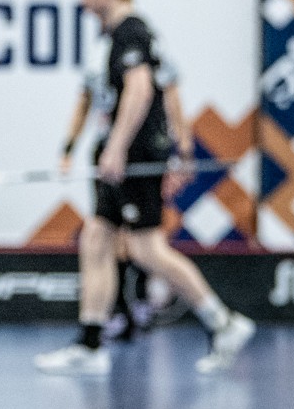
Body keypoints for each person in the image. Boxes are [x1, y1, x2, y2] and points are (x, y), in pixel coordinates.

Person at [34, 0, 256, 376]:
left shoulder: (132, 31)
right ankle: (90, 342)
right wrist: (76, 147)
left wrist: (119, 148)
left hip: (134, 154)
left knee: (145, 249)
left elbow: (142, 91)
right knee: (96, 238)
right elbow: (91, 99)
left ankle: (222, 322)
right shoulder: (110, 38)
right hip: (119, 152)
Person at [55, 34, 198, 341]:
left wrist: (182, 150)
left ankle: (212, 317)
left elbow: (170, 99)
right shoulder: (99, 54)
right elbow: (85, 102)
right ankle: (112, 315)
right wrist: (68, 147)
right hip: (109, 155)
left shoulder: (140, 44)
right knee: (104, 233)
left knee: (141, 241)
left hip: (139, 154)